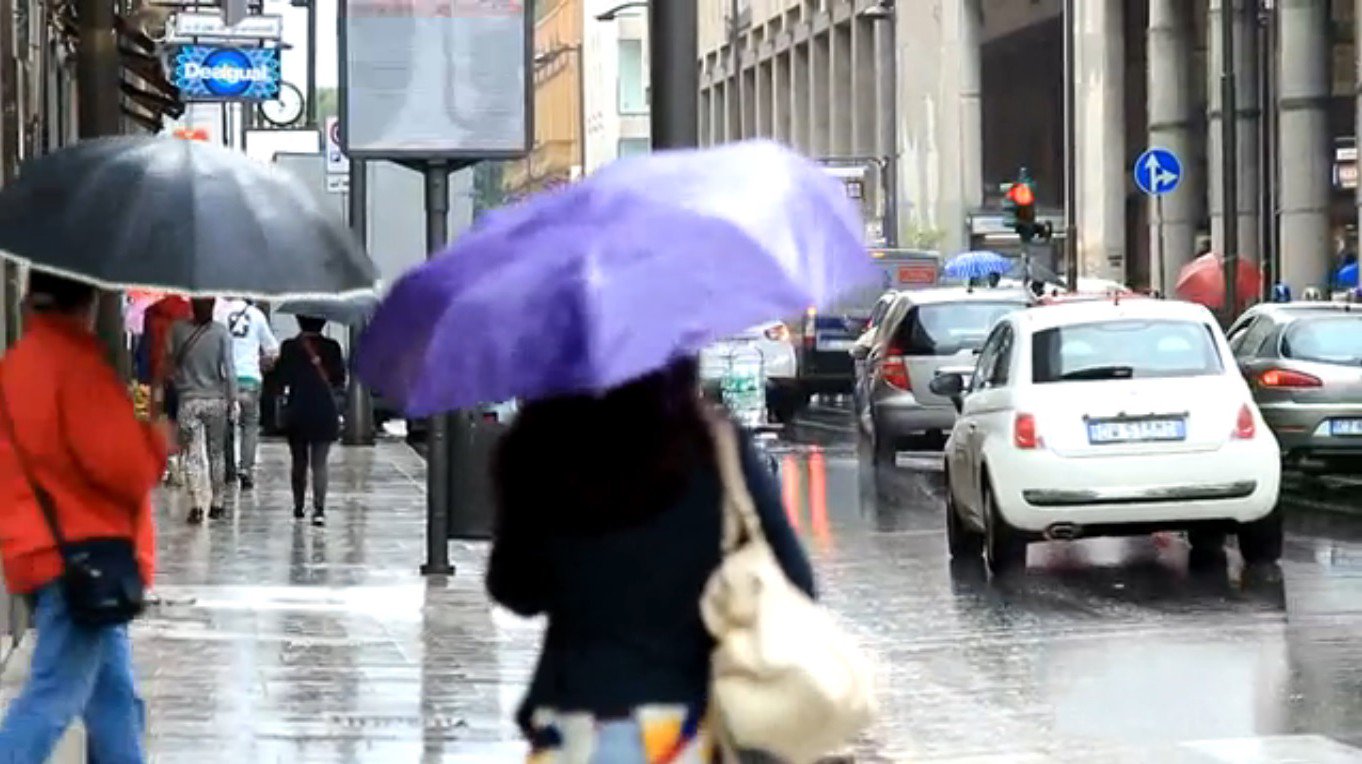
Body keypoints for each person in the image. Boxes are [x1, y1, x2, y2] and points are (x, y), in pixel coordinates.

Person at [487, 358, 815, 760]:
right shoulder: (715, 450)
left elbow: (514, 589)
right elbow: (796, 582)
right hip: (695, 723)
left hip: (579, 720)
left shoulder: (541, 449)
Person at [0, 271, 166, 762]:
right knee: (52, 699)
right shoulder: (76, 368)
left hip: (46, 549)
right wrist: (156, 440)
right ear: (88, 303)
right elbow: (124, 467)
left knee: (115, 699)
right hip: (78, 556)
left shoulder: (20, 364)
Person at [167, 298, 236, 524]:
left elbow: (169, 363)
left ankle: (196, 502)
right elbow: (229, 368)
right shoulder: (221, 333)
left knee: (192, 454)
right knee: (216, 453)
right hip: (215, 399)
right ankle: (217, 502)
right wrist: (232, 398)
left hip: (188, 400)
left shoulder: (177, 330)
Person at [275, 316, 345, 526]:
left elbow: (281, 379)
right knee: (320, 462)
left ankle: (298, 506)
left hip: (298, 409)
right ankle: (319, 509)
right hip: (324, 410)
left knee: (298, 461)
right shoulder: (332, 347)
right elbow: (340, 379)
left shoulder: (290, 347)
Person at [215, 297, 280, 490]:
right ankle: (246, 468)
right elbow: (273, 350)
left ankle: (228, 470)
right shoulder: (257, 315)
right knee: (249, 425)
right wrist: (261, 363)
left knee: (226, 425)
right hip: (250, 379)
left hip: (226, 379)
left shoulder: (220, 315)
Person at [143, 294, 192, 485]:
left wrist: (144, 375)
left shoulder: (151, 312)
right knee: (181, 416)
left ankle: (167, 459)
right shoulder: (188, 312)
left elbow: (145, 350)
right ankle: (181, 459)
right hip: (182, 374)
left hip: (157, 374)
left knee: (160, 416)